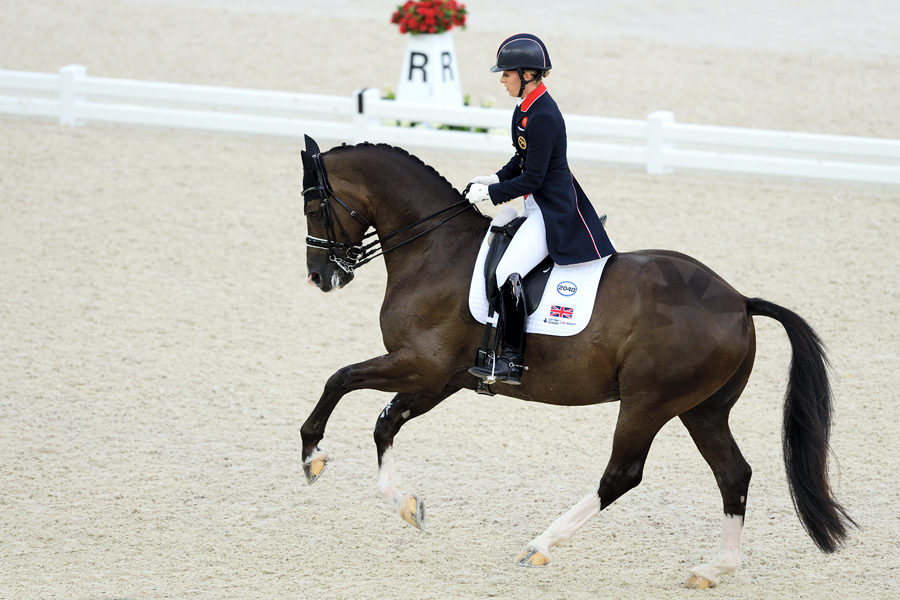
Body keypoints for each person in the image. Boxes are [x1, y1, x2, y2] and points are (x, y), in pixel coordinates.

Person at [466, 33, 616, 385]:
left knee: (508, 273)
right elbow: (521, 158)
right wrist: (494, 178)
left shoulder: (544, 115)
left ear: (527, 74)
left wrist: (495, 195)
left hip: (550, 210)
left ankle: (511, 361)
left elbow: (533, 177)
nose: (502, 80)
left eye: (506, 74)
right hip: (535, 202)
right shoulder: (525, 107)